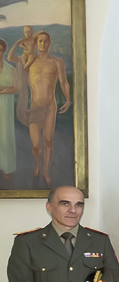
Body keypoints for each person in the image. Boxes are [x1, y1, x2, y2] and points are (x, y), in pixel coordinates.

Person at [16, 31, 70, 186]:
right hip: (35, 107)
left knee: (47, 140)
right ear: (36, 43)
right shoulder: (30, 61)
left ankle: (46, 171)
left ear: (49, 42)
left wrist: (67, 99)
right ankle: (37, 164)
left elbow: (64, 82)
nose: (42, 44)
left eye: (45, 41)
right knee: (35, 145)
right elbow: (16, 67)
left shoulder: (57, 61)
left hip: (49, 107)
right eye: (40, 41)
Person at [0, 38, 18, 180]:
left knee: (6, 137)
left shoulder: (11, 69)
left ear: (4, 51)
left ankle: (7, 168)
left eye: (0, 50)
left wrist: (3, 90)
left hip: (5, 108)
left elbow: (16, 88)